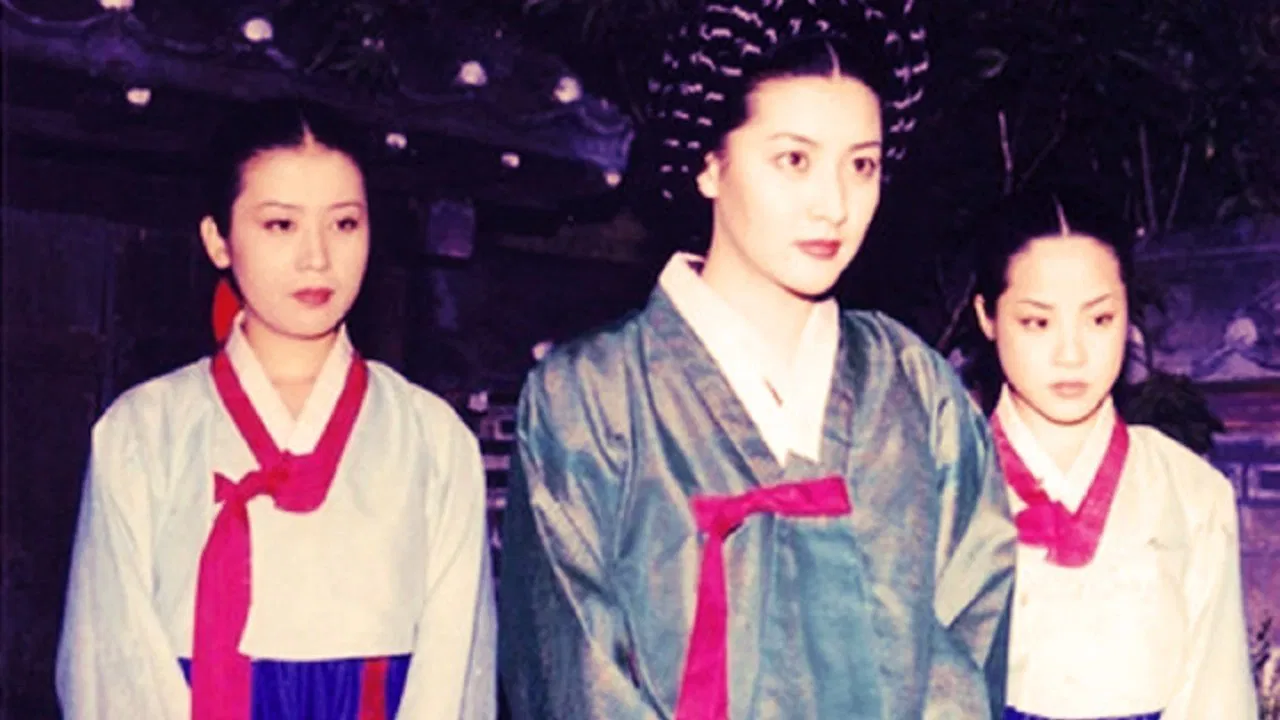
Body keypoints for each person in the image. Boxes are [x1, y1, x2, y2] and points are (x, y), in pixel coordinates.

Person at [498, 1, 1017, 718]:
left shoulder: (912, 383)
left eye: (861, 165)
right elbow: (572, 677)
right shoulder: (589, 397)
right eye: (794, 160)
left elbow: (971, 631)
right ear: (709, 164)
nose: (833, 204)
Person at [55, 100, 496, 720]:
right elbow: (111, 668)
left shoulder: (433, 440)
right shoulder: (141, 433)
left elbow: (454, 679)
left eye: (344, 223)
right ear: (218, 240)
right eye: (281, 225)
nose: (317, 257)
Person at [969, 187, 1258, 719]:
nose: (1072, 353)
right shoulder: (942, 487)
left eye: (1099, 319)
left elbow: (1216, 698)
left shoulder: (1191, 492)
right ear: (987, 316)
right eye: (1038, 322)